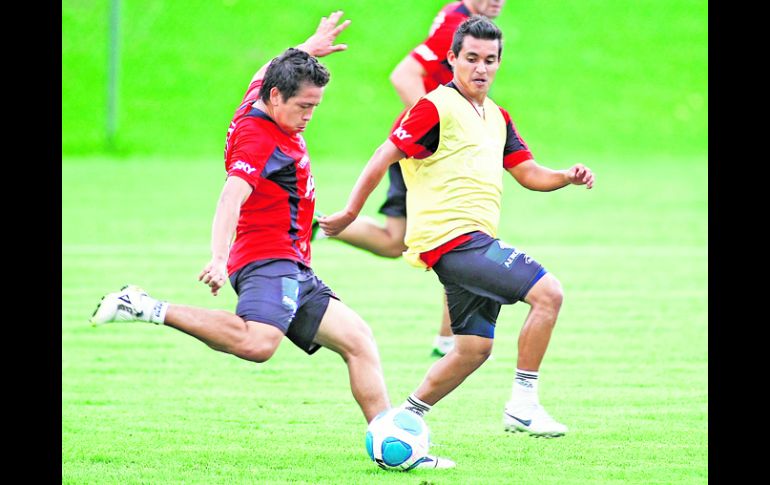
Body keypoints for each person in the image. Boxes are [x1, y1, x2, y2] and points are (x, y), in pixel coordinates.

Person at [89, 11, 454, 469]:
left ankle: (392, 449)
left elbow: (267, 67)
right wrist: (218, 258)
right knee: (259, 344)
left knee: (358, 339)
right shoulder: (257, 138)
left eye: (316, 106)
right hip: (266, 258)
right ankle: (143, 306)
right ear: (277, 98)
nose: (309, 116)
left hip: (294, 261)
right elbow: (231, 195)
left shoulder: (262, 94)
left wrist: (310, 46)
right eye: (304, 106)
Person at [320, 15, 594, 438]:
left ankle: (402, 420)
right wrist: (351, 213)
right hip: (452, 241)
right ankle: (523, 404)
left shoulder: (498, 117)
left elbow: (528, 173)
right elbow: (382, 155)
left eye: (489, 59)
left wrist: (565, 176)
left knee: (472, 349)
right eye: (471, 58)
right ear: (451, 59)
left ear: (499, 62)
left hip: (473, 240)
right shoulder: (434, 107)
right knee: (549, 293)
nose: (480, 68)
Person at [316, 0, 507, 358]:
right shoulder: (457, 24)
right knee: (464, 238)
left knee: (395, 241)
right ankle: (449, 342)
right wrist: (442, 127)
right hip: (425, 153)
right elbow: (403, 74)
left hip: (418, 148)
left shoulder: (461, 19)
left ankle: (315, 226)